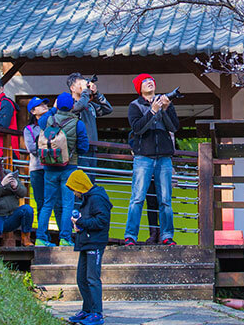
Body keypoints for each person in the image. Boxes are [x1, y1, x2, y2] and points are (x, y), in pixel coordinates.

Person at [124, 74, 179, 246]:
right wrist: (153, 111)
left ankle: (167, 235)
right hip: (143, 157)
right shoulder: (135, 106)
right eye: (145, 81)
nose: (150, 82)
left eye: (152, 80)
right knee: (137, 197)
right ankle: (130, 236)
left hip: (164, 157)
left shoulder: (165, 103)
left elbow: (173, 127)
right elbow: (138, 128)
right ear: (139, 88)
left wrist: (165, 110)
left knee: (165, 200)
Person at [35, 92, 90, 247]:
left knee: (48, 203)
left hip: (49, 166)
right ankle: (65, 238)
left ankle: (40, 238)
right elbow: (84, 147)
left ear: (57, 105)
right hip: (69, 167)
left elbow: (40, 125)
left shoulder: (47, 119)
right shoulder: (78, 123)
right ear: (73, 106)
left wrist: (53, 109)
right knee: (68, 203)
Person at [66, 169, 112, 325]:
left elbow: (101, 221)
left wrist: (81, 223)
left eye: (74, 189)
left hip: (95, 243)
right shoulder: (87, 198)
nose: (74, 193)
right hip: (86, 242)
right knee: (81, 278)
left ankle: (97, 313)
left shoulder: (97, 198)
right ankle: (87, 310)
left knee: (92, 278)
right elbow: (89, 220)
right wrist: (79, 225)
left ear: (80, 186)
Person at [23, 97, 62, 231]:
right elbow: (32, 149)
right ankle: (42, 235)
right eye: (40, 105)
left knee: (58, 202)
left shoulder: (54, 123)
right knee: (41, 203)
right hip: (37, 169)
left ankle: (63, 234)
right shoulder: (29, 129)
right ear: (33, 111)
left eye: (45, 104)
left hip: (53, 167)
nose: (45, 106)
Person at [68, 73, 112, 171]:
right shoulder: (71, 104)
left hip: (92, 147)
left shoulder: (90, 105)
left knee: (91, 180)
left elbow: (108, 109)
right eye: (80, 84)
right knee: (82, 180)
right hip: (79, 149)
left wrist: (96, 94)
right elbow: (80, 105)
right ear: (72, 88)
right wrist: (85, 91)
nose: (83, 86)